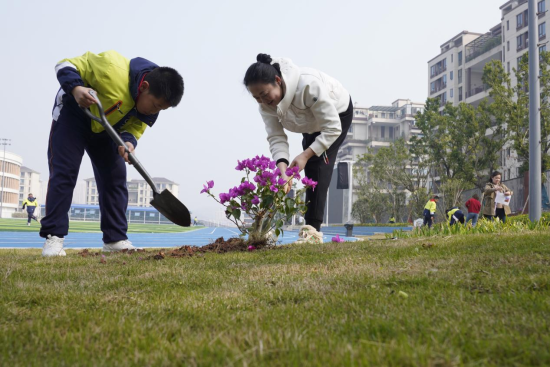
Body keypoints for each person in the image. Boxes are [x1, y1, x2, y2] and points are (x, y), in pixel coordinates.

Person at [40, 51, 184, 257]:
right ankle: (54, 237)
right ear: (144, 87)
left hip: (107, 127)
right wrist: (76, 87)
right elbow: (64, 64)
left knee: (115, 180)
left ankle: (115, 239)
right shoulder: (111, 67)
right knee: (65, 174)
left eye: (161, 109)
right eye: (155, 105)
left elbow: (136, 126)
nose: (155, 112)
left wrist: (128, 141)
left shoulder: (151, 107)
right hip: (74, 115)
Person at [243, 54, 353, 240]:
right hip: (309, 123)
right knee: (308, 164)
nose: (262, 101)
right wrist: (282, 169)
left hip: (336, 117)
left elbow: (332, 127)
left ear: (278, 81)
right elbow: (276, 136)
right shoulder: (266, 106)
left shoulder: (308, 86)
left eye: (264, 94)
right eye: (256, 97)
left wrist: (306, 154)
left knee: (316, 166)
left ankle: (312, 231)